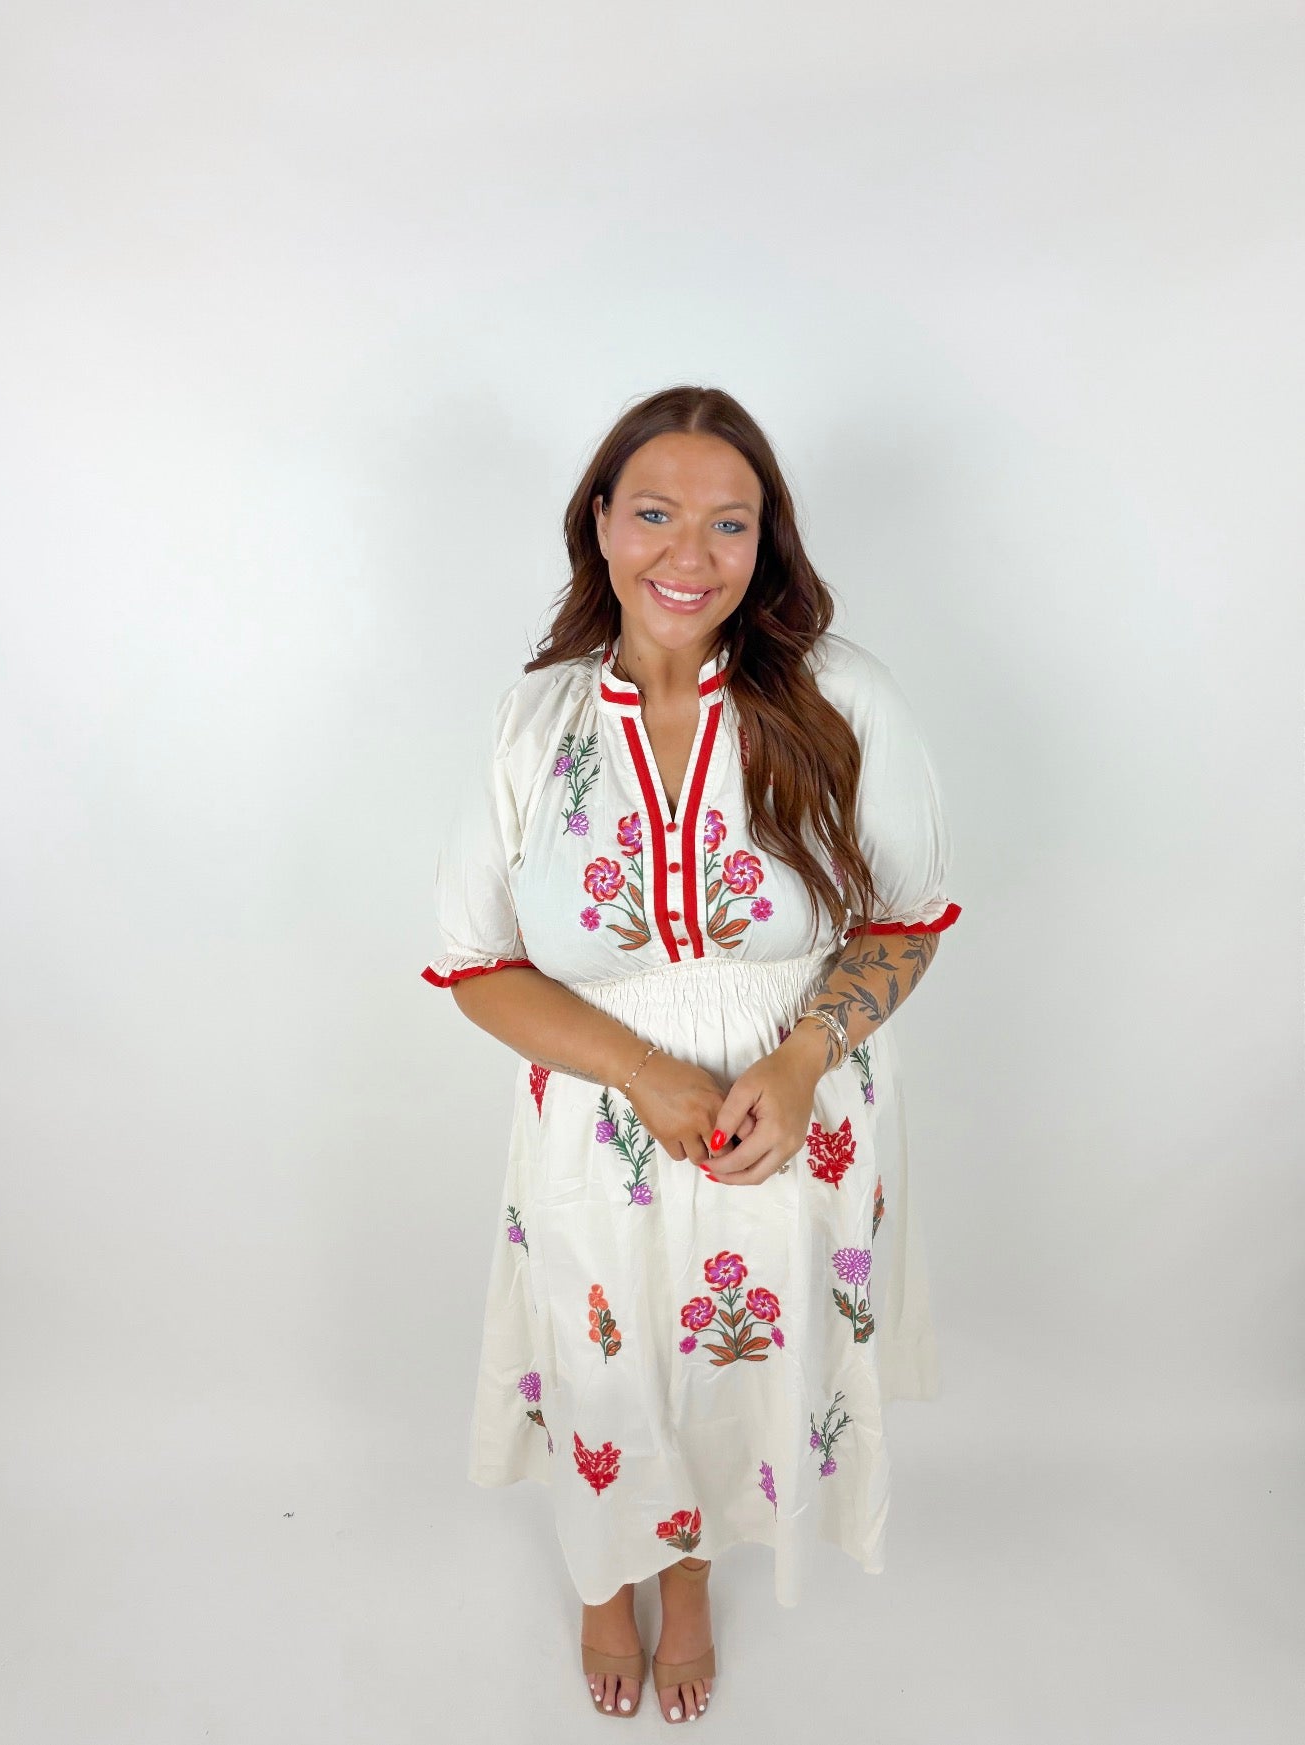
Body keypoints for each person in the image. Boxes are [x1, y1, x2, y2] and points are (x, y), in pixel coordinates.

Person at [421, 384, 961, 1723]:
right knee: (604, 1353)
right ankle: (610, 1577)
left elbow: (907, 918)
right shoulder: (536, 724)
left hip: (794, 1102)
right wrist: (643, 1069)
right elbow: (477, 965)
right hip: (598, 1113)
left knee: (731, 1362)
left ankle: (696, 1566)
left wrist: (800, 1059)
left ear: (765, 540)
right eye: (653, 512)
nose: (689, 552)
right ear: (598, 524)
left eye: (729, 522)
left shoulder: (839, 697)